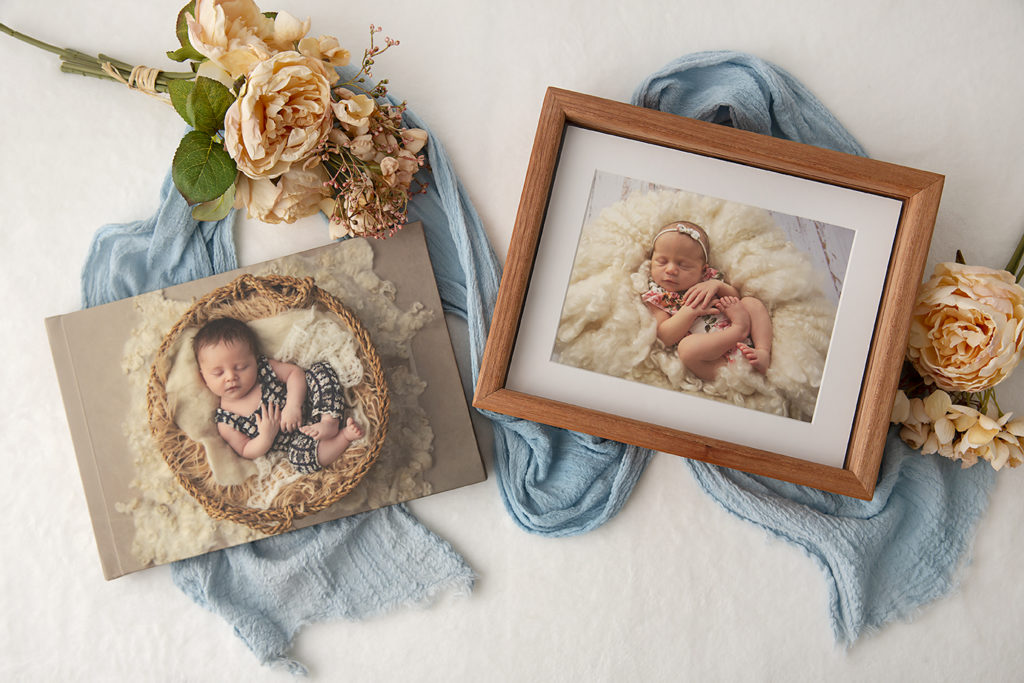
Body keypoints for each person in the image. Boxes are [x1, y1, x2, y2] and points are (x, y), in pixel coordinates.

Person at [193, 316, 364, 473]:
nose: (231, 377)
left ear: (254, 359)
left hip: (313, 403)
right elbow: (245, 449)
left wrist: (293, 405)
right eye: (218, 373)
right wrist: (266, 437)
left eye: (241, 367)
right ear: (204, 377)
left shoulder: (264, 370)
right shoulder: (226, 420)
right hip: (298, 440)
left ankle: (329, 422)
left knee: (320, 370)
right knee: (299, 460)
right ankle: (344, 436)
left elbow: (294, 373)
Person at [641, 221, 773, 382]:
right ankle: (739, 330)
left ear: (702, 270)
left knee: (751, 303)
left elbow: (735, 298)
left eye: (684, 266)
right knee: (687, 350)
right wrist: (689, 311)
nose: (670, 270)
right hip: (718, 360)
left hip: (747, 345)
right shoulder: (658, 296)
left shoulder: (708, 280)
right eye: (662, 261)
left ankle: (763, 351)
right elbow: (665, 336)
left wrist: (717, 285)